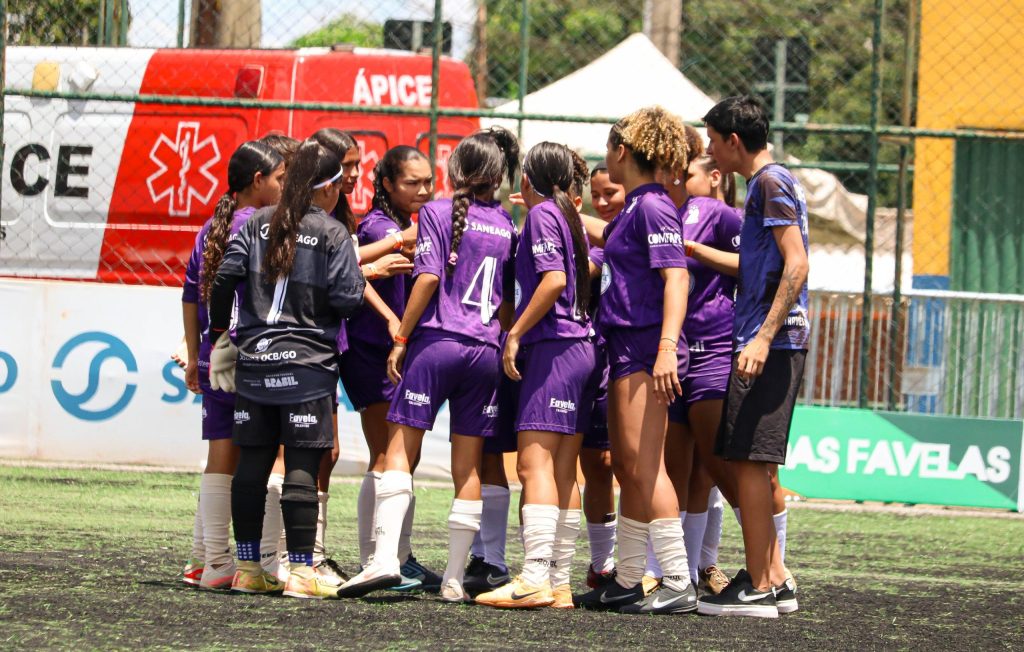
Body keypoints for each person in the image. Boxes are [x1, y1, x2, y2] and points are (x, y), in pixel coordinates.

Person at [338, 127, 520, 602]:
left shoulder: (437, 214)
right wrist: (507, 340)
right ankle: (456, 579)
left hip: (437, 345)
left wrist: (400, 338)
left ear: (454, 171)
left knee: (398, 452)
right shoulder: (508, 224)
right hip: (485, 351)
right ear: (498, 176)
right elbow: (504, 301)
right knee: (469, 467)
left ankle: (384, 561)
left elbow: (428, 280)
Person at [207, 138, 365, 599]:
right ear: (329, 188)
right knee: (300, 463)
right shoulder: (333, 233)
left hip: (255, 362)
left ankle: (247, 570)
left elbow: (223, 280)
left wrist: (222, 334)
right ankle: (299, 572)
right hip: (309, 364)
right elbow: (348, 299)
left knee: (252, 463)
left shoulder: (256, 223)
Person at [574, 106, 696, 615]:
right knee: (628, 464)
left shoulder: (652, 207)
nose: (605, 160)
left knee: (646, 468)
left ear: (622, 152)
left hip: (648, 348)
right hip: (627, 347)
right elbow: (612, 243)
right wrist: (561, 209)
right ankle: (626, 578)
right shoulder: (636, 209)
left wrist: (667, 347)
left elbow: (677, 277)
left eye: (608, 151)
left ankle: (676, 579)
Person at [695, 95, 809, 618]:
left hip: (772, 342)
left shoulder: (769, 182)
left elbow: (797, 263)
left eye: (715, 143)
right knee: (751, 464)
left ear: (734, 142)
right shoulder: (765, 187)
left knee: (746, 462)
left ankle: (762, 584)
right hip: (768, 339)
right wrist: (693, 250)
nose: (712, 153)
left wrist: (763, 337)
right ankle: (777, 579)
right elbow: (752, 266)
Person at [474, 142, 594, 610]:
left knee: (533, 466)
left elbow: (554, 281)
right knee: (563, 469)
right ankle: (558, 580)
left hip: (554, 348)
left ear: (528, 179)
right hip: (580, 349)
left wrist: (515, 334)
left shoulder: (545, 217)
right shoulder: (565, 217)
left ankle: (534, 577)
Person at [179, 141, 285, 590]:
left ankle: (212, 561)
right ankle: (268, 562)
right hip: (256, 355)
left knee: (219, 457)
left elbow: (189, 297)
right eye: (280, 178)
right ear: (257, 181)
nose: (285, 185)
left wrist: (194, 354)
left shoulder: (210, 229)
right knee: (274, 453)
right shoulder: (268, 227)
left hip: (216, 349)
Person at [339, 145, 443, 591]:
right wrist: (391, 321)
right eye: (411, 183)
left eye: (427, 182)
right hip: (372, 350)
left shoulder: (406, 226)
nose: (423, 190)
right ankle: (376, 557)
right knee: (386, 455)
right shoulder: (380, 228)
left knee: (402, 459)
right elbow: (353, 276)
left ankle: (398, 555)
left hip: (398, 352)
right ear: (386, 185)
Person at [580, 162, 624, 589]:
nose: (603, 201)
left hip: (630, 360)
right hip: (589, 359)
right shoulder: (590, 234)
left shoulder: (629, 230)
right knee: (596, 462)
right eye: (597, 193)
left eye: (611, 191)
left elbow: (591, 267)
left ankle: (645, 563)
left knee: (629, 463)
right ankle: (601, 563)